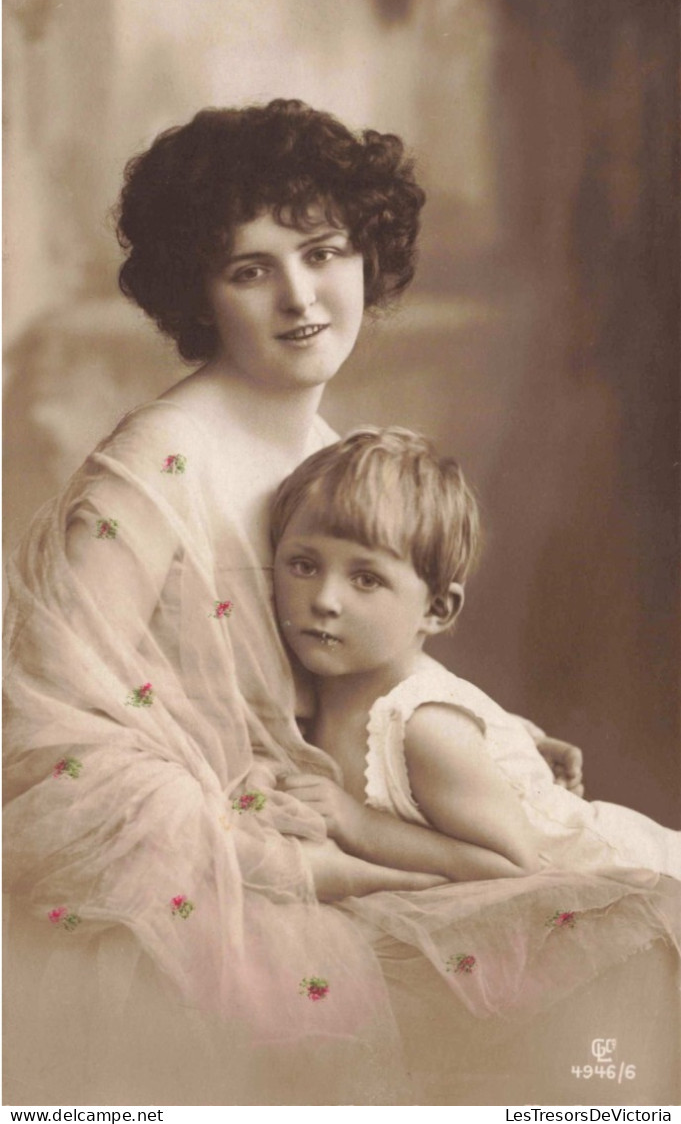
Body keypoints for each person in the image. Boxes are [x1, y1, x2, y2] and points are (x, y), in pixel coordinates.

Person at [3, 98, 591, 1107]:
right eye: (250, 269)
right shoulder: (150, 466)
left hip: (323, 831)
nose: (301, 297)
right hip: (206, 885)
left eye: (323, 253)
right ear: (200, 290)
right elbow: (34, 735)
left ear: (369, 255)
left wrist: (487, 729)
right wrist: (288, 856)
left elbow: (350, 669)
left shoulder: (333, 452)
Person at [271, 426, 681, 886]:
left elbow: (513, 865)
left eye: (366, 579)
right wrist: (517, 740)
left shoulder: (427, 727)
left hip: (623, 883)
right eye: (303, 566)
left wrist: (358, 824)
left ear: (436, 609)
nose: (325, 599)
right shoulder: (324, 682)